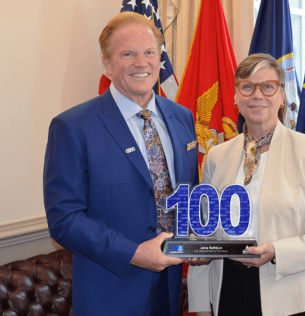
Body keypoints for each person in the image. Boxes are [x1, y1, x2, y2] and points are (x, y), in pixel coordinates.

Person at [43, 12, 198, 316]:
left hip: (171, 286)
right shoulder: (73, 126)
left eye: (150, 52)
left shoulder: (183, 117)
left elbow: (184, 192)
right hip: (111, 291)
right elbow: (64, 219)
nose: (142, 63)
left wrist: (200, 240)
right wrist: (135, 253)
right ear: (108, 64)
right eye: (128, 53)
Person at [187, 53, 305, 316]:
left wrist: (276, 251)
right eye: (247, 86)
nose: (257, 95)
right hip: (226, 291)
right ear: (235, 96)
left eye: (268, 86)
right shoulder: (216, 157)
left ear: (282, 96)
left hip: (292, 295)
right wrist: (200, 306)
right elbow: (204, 234)